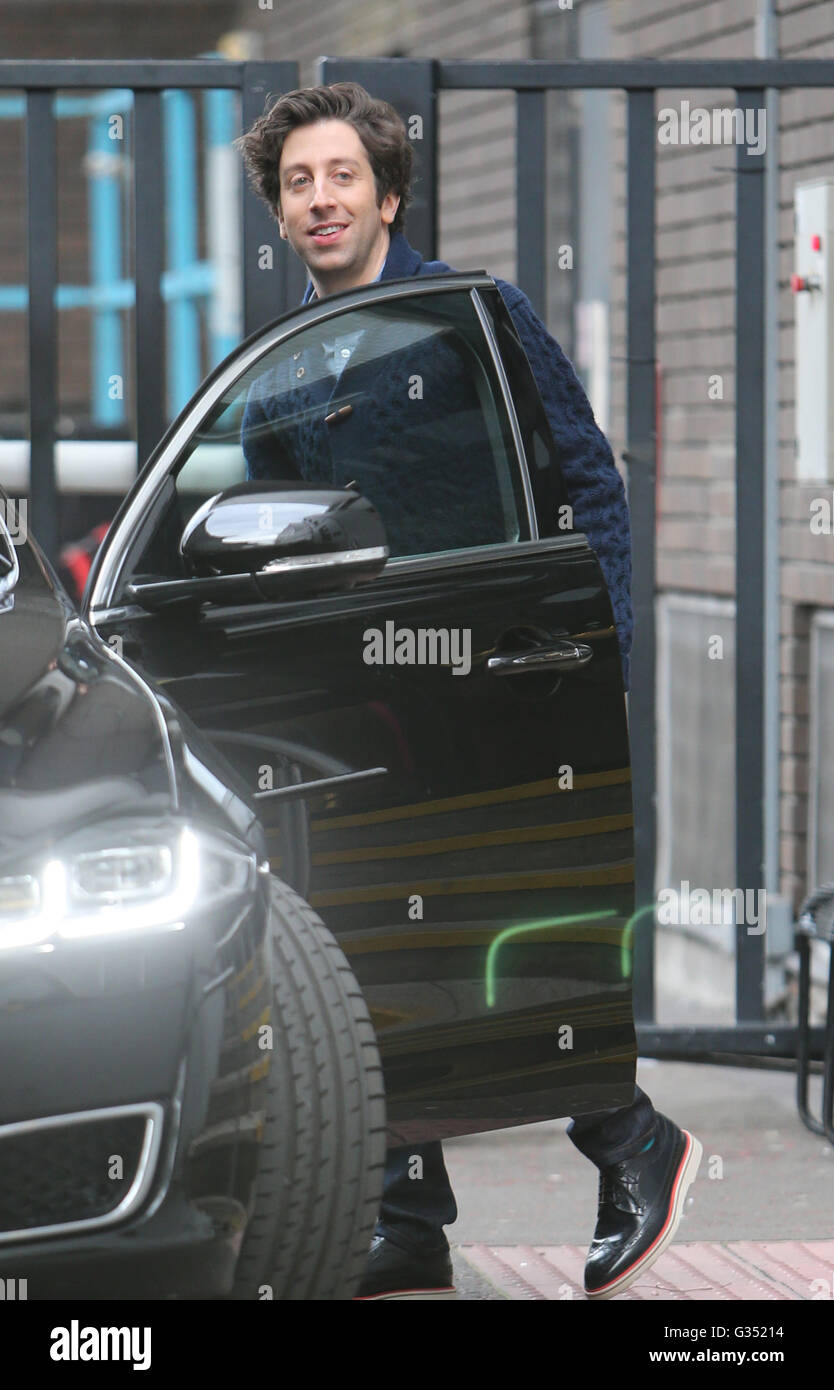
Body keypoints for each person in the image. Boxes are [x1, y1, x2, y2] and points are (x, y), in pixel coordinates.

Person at [236, 80, 702, 1302]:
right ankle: (405, 1208)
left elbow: (588, 483)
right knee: (369, 930)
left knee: (515, 927)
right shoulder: (281, 373)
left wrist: (593, 651)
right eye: (298, 182)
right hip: (371, 685)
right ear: (280, 214)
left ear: (387, 193)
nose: (320, 198)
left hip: (507, 663)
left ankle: (632, 1141)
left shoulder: (472, 316)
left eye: (341, 175)